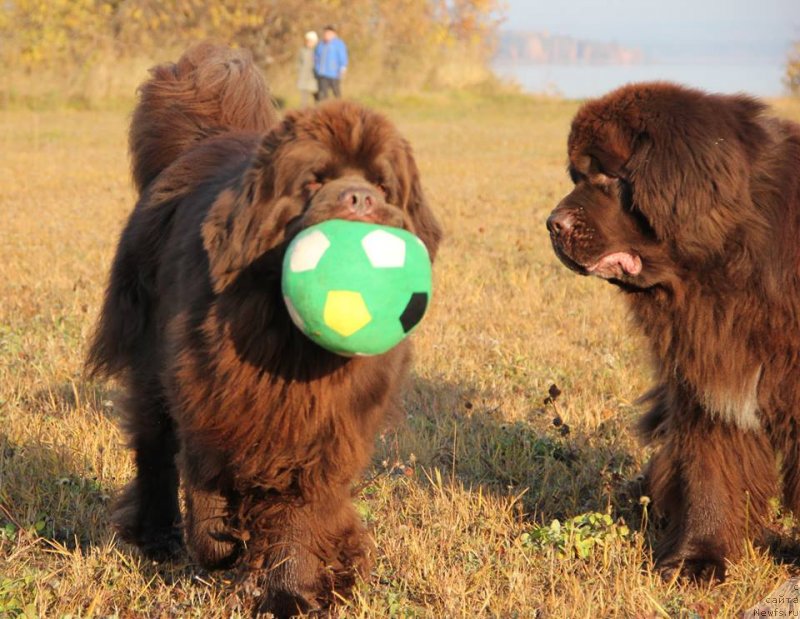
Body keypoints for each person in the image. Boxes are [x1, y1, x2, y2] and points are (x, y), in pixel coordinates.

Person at [314, 25, 348, 100]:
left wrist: (343, 68)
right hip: (322, 74)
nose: (326, 35)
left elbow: (342, 56)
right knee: (322, 94)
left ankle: (339, 105)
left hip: (334, 73)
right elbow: (316, 58)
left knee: (336, 93)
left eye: (329, 33)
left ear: (334, 34)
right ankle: (323, 106)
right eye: (325, 33)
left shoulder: (339, 44)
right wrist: (317, 69)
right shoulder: (320, 45)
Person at [296, 31, 319, 107]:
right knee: (304, 98)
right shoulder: (302, 51)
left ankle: (318, 110)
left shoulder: (318, 50)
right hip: (304, 77)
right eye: (308, 41)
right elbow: (299, 63)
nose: (309, 43)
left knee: (317, 97)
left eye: (311, 41)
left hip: (314, 77)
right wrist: (299, 72)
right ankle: (303, 110)